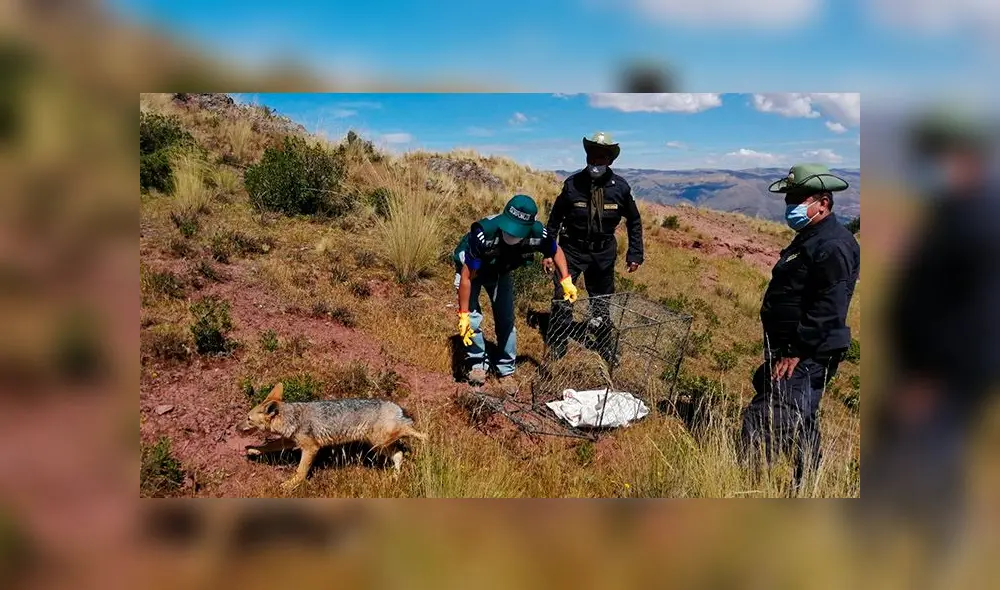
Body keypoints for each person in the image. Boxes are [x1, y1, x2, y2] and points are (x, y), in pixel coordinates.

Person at [739, 163, 860, 492]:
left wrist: (796, 349)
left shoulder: (832, 245)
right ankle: (809, 484)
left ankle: (749, 488)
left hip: (807, 353)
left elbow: (830, 306)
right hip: (795, 349)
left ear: (823, 202)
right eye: (789, 199)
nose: (791, 206)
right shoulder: (811, 238)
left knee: (766, 419)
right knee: (802, 419)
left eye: (798, 198)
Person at [452, 194, 578, 388]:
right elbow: (467, 277)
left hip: (501, 269)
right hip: (473, 269)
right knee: (472, 319)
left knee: (506, 319)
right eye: (509, 229)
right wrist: (463, 313)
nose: (511, 236)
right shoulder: (483, 233)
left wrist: (566, 279)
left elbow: (556, 251)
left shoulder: (538, 233)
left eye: (518, 232)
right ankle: (477, 364)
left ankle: (505, 370)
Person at [544, 132, 644, 363]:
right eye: (592, 156)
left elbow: (634, 220)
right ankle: (558, 342)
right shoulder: (572, 185)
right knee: (563, 295)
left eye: (601, 157)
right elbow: (555, 219)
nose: (595, 161)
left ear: (610, 160)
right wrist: (549, 252)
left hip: (603, 253)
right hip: (571, 250)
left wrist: (635, 253)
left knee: (601, 300)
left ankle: (602, 343)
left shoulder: (620, 188)